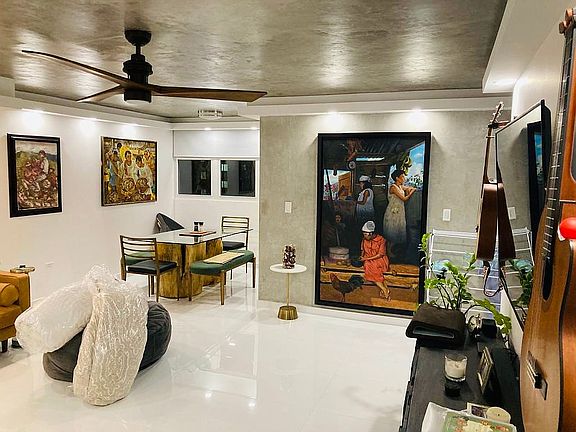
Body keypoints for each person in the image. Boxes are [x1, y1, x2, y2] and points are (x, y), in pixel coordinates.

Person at [382, 169, 416, 247]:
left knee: (398, 228)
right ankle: (390, 250)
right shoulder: (393, 187)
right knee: (392, 229)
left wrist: (409, 189)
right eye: (402, 177)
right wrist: (412, 191)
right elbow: (404, 198)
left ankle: (397, 250)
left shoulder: (400, 186)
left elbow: (407, 188)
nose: (404, 178)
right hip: (393, 211)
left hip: (399, 211)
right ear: (397, 178)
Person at [360, 220, 391, 300]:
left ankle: (383, 289)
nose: (364, 236)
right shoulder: (364, 240)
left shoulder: (381, 240)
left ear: (371, 233)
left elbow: (380, 254)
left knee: (370, 266)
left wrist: (366, 258)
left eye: (366, 234)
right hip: (368, 258)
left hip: (380, 259)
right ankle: (385, 289)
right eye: (364, 234)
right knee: (368, 265)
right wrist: (361, 257)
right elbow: (363, 250)